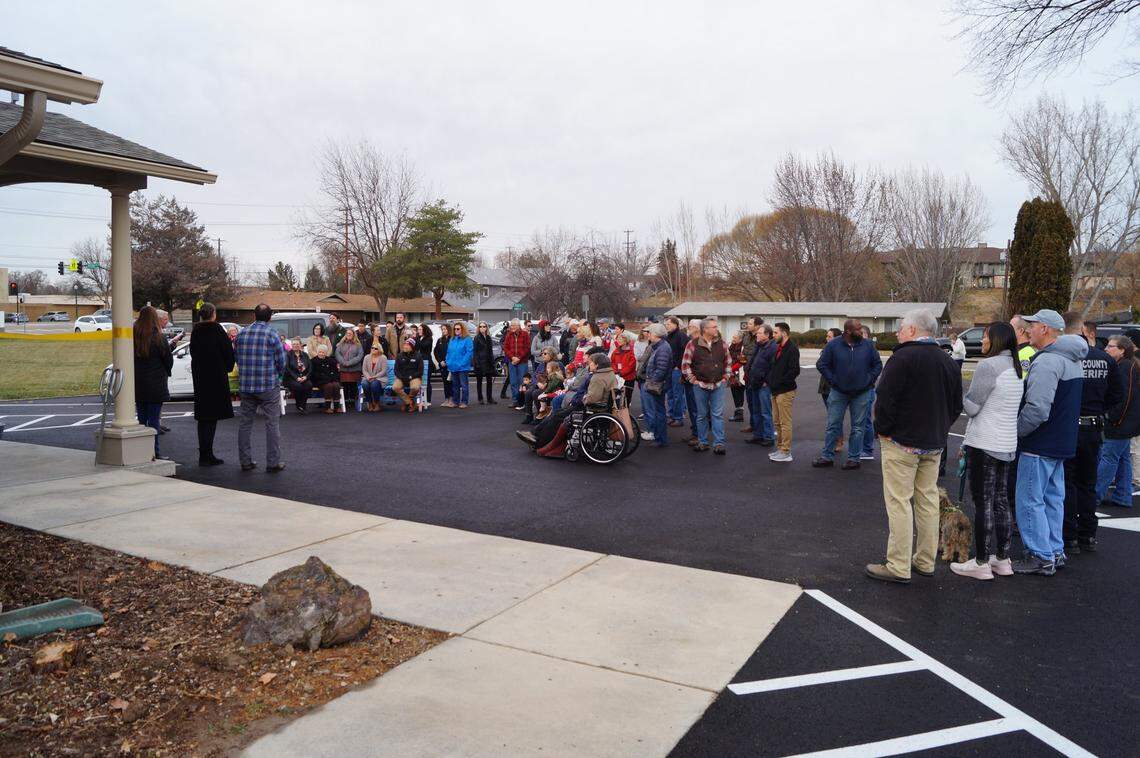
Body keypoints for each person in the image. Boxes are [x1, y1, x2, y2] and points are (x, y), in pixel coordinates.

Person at [865, 309, 962, 583]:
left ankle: (898, 565)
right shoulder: (947, 361)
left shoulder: (902, 358)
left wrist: (883, 430)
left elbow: (885, 400)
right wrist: (940, 428)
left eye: (901, 328)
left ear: (912, 330)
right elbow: (956, 404)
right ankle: (925, 560)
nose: (898, 333)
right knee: (927, 500)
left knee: (899, 503)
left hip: (902, 442)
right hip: (933, 442)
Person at [1012, 309, 1087, 576]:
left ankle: (1039, 555)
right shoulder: (1072, 359)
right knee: (1053, 499)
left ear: (1044, 329)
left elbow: (1038, 409)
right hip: (1062, 442)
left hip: (1040, 443)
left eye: (1032, 325)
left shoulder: (1046, 362)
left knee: (1030, 500)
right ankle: (1054, 550)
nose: (1028, 330)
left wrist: (1016, 432)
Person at [949, 322, 1024, 580]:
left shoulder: (988, 366)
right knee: (1001, 501)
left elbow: (972, 408)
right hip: (1007, 443)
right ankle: (1002, 558)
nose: (982, 341)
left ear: (996, 340)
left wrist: (958, 393)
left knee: (983, 503)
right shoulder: (1016, 367)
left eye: (985, 336)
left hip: (985, 444)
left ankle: (980, 561)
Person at [1062, 311, 1122, 553]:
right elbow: (1117, 394)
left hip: (1069, 426)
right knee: (1087, 483)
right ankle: (1087, 534)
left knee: (1067, 483)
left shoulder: (1066, 357)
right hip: (1093, 427)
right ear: (1084, 330)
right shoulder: (1104, 359)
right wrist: (1100, 410)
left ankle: (1069, 536)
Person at [813, 319, 882, 471]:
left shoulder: (868, 345)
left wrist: (869, 379)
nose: (861, 331)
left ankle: (854, 459)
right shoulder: (833, 345)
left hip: (862, 392)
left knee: (858, 427)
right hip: (838, 392)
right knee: (833, 425)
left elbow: (877, 365)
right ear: (848, 331)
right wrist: (833, 380)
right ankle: (827, 456)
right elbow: (821, 364)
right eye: (858, 329)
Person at [234, 303, 286, 472]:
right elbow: (282, 361)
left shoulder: (241, 333)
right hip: (268, 385)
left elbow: (237, 358)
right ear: (270, 318)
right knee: (272, 423)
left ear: (253, 315)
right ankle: (272, 463)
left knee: (245, 423)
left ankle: (245, 461)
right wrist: (278, 377)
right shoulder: (272, 334)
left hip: (246, 385)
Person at [534, 352, 617, 458]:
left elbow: (591, 399)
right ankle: (538, 435)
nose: (589, 365)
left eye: (591, 363)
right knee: (558, 413)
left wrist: (581, 399)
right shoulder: (609, 374)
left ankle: (540, 441)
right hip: (602, 409)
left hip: (592, 410)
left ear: (597, 365)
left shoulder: (597, 378)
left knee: (558, 416)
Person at [188, 303, 234, 466]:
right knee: (212, 417)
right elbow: (228, 352)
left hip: (200, 377)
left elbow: (193, 352)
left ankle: (204, 453)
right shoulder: (217, 330)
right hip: (216, 377)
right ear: (213, 314)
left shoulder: (196, 331)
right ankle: (208, 454)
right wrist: (227, 367)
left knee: (203, 417)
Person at [1097, 336, 1139, 512]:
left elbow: (1124, 397)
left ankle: (1095, 495)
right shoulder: (1129, 365)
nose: (1106, 349)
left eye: (1111, 346)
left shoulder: (1125, 367)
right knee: (1122, 459)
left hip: (1120, 423)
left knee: (1109, 458)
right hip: (1126, 423)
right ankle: (1123, 496)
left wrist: (1112, 417)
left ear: (1122, 350)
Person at [682, 318, 731, 455]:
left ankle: (719, 443)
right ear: (705, 329)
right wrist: (693, 380)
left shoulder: (722, 344)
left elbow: (728, 362)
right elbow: (685, 365)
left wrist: (726, 377)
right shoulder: (692, 344)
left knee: (717, 415)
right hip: (700, 385)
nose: (716, 329)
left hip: (718, 384)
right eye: (714, 327)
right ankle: (703, 442)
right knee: (701, 415)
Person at [132, 305, 173, 461]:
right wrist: (165, 372)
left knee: (141, 420)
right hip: (156, 384)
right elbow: (168, 360)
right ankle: (154, 452)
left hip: (138, 383)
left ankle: (140, 451)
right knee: (154, 421)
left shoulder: (133, 337)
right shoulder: (159, 338)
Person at [766, 322, 800, 463]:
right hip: (775, 390)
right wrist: (771, 381)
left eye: (775, 333)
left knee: (785, 422)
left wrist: (779, 382)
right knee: (777, 422)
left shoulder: (792, 349)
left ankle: (786, 451)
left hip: (785, 391)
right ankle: (780, 448)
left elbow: (794, 370)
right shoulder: (779, 347)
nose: (773, 335)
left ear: (784, 333)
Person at [744, 324, 776, 447]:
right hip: (754, 383)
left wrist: (766, 381)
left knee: (765, 412)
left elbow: (774, 367)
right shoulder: (759, 346)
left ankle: (769, 437)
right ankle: (758, 435)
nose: (757, 335)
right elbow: (753, 363)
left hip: (764, 386)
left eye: (759, 333)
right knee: (756, 411)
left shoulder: (772, 347)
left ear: (767, 335)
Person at [643, 323, 673, 447]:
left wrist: (651, 382)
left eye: (649, 332)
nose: (648, 335)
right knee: (658, 411)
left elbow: (661, 369)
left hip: (658, 385)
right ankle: (659, 437)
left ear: (656, 334)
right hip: (658, 384)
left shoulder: (663, 348)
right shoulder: (659, 346)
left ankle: (661, 439)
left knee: (658, 412)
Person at [816, 328, 843, 449]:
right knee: (831, 416)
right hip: (825, 387)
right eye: (827, 336)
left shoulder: (839, 351)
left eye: (829, 336)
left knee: (835, 417)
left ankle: (838, 441)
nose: (827, 339)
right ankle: (834, 441)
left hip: (834, 387)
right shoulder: (827, 349)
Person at [665, 316, 690, 427]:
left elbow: (685, 352)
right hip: (669, 369)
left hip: (677, 370)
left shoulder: (681, 336)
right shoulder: (668, 337)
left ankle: (678, 418)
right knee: (670, 394)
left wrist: (678, 366)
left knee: (677, 395)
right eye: (666, 324)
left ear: (675, 324)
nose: (667, 326)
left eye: (669, 324)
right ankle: (671, 415)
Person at [503, 319, 532, 408]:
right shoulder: (509, 335)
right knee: (513, 382)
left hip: (522, 362)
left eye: (514, 325)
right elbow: (505, 347)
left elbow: (527, 348)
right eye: (511, 325)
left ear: (518, 326)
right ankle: (515, 400)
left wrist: (519, 358)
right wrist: (512, 357)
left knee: (522, 381)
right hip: (512, 362)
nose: (512, 327)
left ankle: (523, 401)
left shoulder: (525, 334)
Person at [858, 325, 877, 461]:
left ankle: (867, 449)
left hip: (867, 389)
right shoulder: (857, 347)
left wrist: (868, 380)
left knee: (865, 420)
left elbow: (876, 367)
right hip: (857, 389)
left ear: (867, 335)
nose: (859, 335)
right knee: (859, 420)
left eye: (862, 333)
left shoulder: (869, 349)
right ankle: (860, 448)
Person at [446, 320, 474, 408]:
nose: (456, 330)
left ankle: (464, 402)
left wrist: (462, 363)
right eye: (455, 329)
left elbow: (469, 353)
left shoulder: (467, 339)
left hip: (463, 367)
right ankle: (455, 401)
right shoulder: (452, 339)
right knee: (455, 385)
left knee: (464, 385)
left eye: (458, 329)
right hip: (453, 366)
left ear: (462, 329)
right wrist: (448, 361)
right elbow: (448, 352)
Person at [335, 327, 364, 411]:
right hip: (343, 369)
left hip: (355, 369)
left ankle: (352, 401)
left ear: (353, 335)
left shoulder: (358, 345)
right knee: (345, 386)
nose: (349, 335)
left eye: (350, 333)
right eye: (347, 333)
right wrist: (343, 362)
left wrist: (349, 363)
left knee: (353, 386)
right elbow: (337, 354)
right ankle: (345, 401)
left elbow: (360, 356)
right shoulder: (341, 344)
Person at [393, 339, 424, 412]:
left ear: (412, 347)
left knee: (415, 387)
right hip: (401, 377)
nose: (405, 346)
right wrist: (401, 377)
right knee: (395, 387)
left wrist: (411, 376)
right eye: (404, 345)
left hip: (414, 377)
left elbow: (420, 371)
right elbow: (396, 370)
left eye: (407, 345)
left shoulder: (418, 356)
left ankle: (406, 402)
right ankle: (410, 402)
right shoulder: (399, 356)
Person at [284, 338, 313, 415]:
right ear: (291, 345)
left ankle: (303, 405)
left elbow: (310, 368)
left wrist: (306, 377)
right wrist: (296, 377)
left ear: (300, 345)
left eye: (297, 344)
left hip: (303, 377)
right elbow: (287, 368)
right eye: (294, 344)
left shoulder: (305, 355)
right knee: (298, 386)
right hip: (291, 378)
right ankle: (299, 404)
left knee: (309, 385)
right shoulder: (288, 355)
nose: (295, 345)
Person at [310, 344, 342, 413]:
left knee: (336, 385)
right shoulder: (313, 361)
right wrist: (326, 378)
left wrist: (332, 378)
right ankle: (327, 407)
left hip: (331, 379)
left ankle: (336, 407)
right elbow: (314, 374)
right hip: (319, 381)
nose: (321, 354)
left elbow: (335, 372)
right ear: (317, 352)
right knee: (329, 386)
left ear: (326, 353)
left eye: (323, 352)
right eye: (320, 352)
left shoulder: (331, 360)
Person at [611, 332, 638, 408]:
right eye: (618, 338)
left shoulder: (631, 351)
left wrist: (621, 373)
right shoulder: (616, 350)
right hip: (617, 377)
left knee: (627, 397)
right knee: (616, 396)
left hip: (628, 378)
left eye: (621, 339)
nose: (618, 340)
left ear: (626, 340)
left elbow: (631, 365)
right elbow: (612, 362)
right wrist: (616, 371)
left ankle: (625, 411)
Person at [473, 321, 498, 404]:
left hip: (488, 363)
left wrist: (493, 363)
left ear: (486, 328)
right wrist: (477, 363)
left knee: (489, 382)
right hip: (479, 363)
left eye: (484, 326)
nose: (482, 328)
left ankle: (489, 398)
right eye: (480, 326)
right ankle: (480, 398)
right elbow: (475, 352)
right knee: (479, 382)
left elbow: (490, 352)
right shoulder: (476, 338)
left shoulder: (488, 338)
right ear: (478, 328)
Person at [361, 343, 388, 412]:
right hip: (368, 378)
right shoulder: (366, 357)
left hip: (380, 378)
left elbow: (384, 371)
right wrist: (368, 377)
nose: (373, 349)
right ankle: (370, 403)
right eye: (372, 348)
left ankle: (376, 403)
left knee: (374, 384)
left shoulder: (383, 358)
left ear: (379, 350)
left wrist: (374, 377)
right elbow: (364, 370)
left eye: (375, 348)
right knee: (364, 383)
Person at [728, 332, 746, 422]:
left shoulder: (743, 348)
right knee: (734, 393)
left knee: (739, 394)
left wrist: (731, 369)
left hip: (740, 374)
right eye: (733, 337)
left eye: (735, 338)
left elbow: (742, 361)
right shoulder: (731, 346)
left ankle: (739, 415)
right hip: (732, 374)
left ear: (740, 339)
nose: (733, 339)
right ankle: (738, 414)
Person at [432, 323, 451, 406]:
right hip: (442, 365)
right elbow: (436, 352)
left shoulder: (452, 339)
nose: (443, 331)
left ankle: (452, 399)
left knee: (451, 383)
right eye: (442, 329)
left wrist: (447, 361)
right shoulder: (440, 340)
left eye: (445, 329)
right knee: (445, 383)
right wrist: (440, 361)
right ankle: (446, 399)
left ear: (449, 329)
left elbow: (453, 352)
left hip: (451, 365)